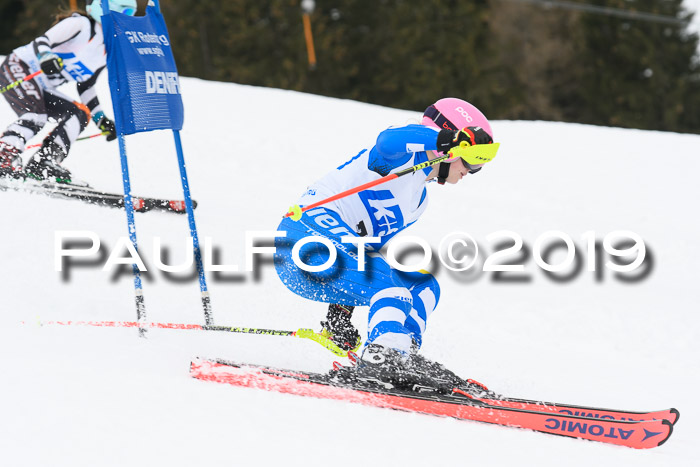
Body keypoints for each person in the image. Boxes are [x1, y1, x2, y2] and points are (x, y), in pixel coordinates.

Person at [274, 97, 498, 384]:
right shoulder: (401, 155)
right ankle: (382, 357)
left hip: (329, 263)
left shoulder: (417, 203)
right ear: (454, 148)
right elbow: (387, 141)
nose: (473, 170)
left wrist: (339, 316)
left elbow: (365, 251)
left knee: (422, 285)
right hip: (301, 234)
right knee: (392, 286)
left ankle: (401, 354)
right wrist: (446, 139)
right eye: (474, 158)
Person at [0, 0, 138, 181]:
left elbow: (86, 85)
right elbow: (43, 41)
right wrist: (46, 56)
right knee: (35, 116)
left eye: (130, 14)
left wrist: (100, 119)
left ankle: (44, 162)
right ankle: (4, 156)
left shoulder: (107, 49)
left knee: (79, 114)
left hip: (42, 86)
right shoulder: (81, 24)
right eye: (123, 11)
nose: (124, 18)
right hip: (19, 67)